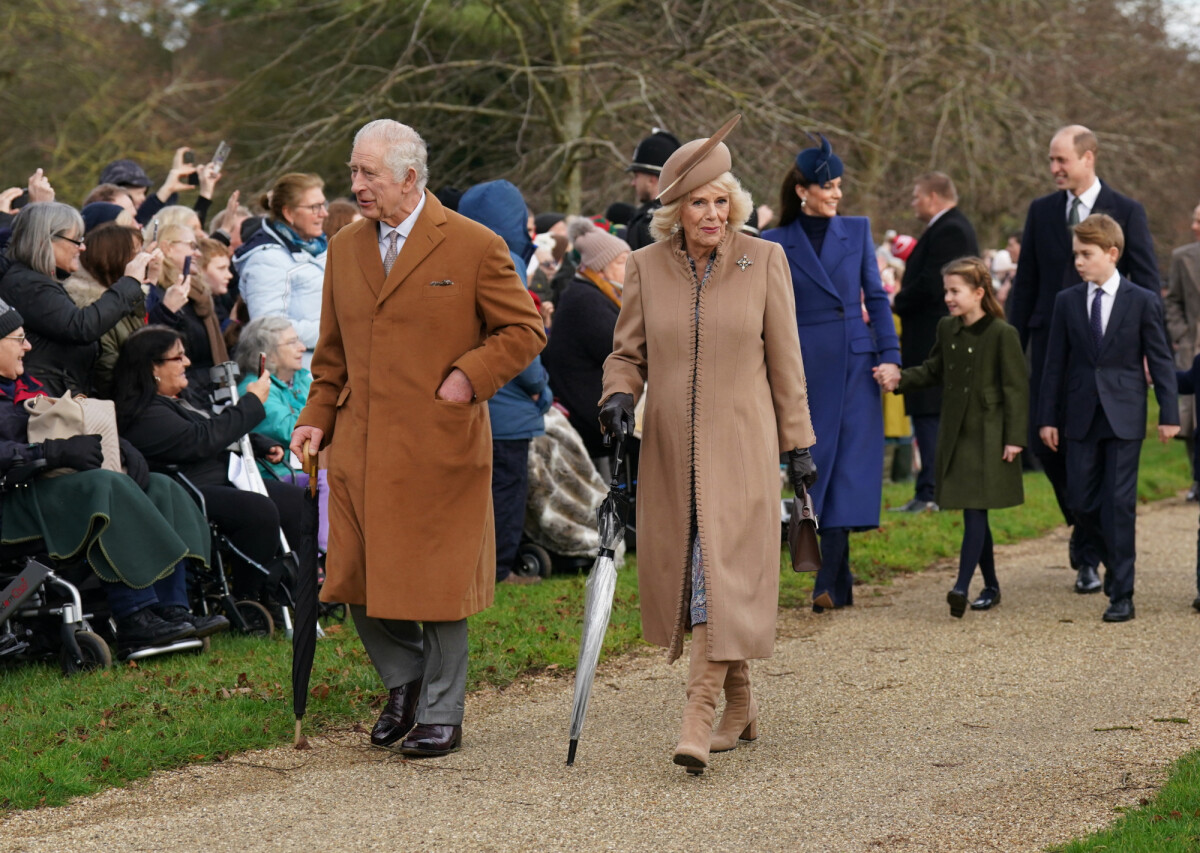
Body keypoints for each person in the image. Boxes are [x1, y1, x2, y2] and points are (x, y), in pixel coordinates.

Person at [288, 119, 546, 758]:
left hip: (439, 442)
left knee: (437, 580)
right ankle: (404, 681)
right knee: (354, 575)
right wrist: (315, 415)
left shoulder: (474, 244)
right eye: (353, 171)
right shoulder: (346, 247)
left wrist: (467, 376)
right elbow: (332, 351)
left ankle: (441, 709)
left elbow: (523, 331)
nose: (356, 185)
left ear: (409, 177)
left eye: (367, 173)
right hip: (358, 443)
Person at [599, 116, 816, 774]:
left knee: (716, 576)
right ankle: (741, 699)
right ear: (676, 210)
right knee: (703, 578)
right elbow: (625, 353)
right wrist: (615, 395)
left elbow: (787, 362)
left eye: (723, 200)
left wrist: (798, 444)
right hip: (669, 453)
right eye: (700, 201)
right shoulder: (644, 266)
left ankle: (697, 715)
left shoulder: (764, 260)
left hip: (744, 452)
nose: (714, 213)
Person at [0, 299, 225, 647]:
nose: (27, 346)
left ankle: (173, 609)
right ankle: (135, 615)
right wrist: (47, 451)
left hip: (49, 487)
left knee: (159, 485)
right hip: (13, 499)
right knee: (105, 487)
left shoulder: (26, 386)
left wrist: (117, 444)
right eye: (18, 338)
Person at [1007, 125, 1160, 593]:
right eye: (1051, 161)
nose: (1054, 169)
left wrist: (1151, 352)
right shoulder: (1040, 211)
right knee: (1048, 445)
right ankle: (1084, 529)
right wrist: (1011, 347)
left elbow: (1148, 284)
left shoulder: (1128, 212)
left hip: (1106, 356)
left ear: (1087, 158)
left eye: (1061, 160)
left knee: (1090, 457)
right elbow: (1026, 281)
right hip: (1049, 350)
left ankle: (1089, 554)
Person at [761, 133, 900, 612]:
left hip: (856, 365)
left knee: (848, 473)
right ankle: (833, 581)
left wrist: (891, 355)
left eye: (840, 185)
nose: (838, 194)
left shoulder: (857, 231)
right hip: (802, 366)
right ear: (803, 190)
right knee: (814, 470)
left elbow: (876, 299)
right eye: (829, 187)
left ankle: (827, 581)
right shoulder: (772, 242)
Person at [113, 326, 318, 609]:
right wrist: (252, 402)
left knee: (297, 501)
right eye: (178, 357)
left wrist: (258, 442)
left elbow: (212, 427)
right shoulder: (144, 414)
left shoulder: (183, 399)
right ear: (153, 367)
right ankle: (250, 597)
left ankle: (289, 586)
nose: (187, 363)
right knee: (258, 510)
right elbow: (200, 440)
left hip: (224, 478)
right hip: (189, 491)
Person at [1038, 214, 1178, 623]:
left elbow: (1161, 359)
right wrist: (1047, 417)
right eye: (1076, 254)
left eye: (1087, 254)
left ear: (1112, 254)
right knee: (1081, 501)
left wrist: (1169, 413)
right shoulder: (1066, 301)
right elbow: (1053, 365)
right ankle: (1101, 558)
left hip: (1125, 414)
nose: (1079, 262)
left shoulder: (1142, 300)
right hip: (1079, 416)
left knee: (1119, 505)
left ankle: (1122, 593)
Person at [879, 258, 1027, 617]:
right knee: (975, 511)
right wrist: (900, 379)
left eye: (955, 291)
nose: (948, 297)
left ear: (979, 293)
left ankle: (961, 585)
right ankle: (990, 586)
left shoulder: (1002, 334)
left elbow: (1016, 389)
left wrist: (1014, 438)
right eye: (946, 290)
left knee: (976, 510)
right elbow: (935, 369)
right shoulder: (947, 328)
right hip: (957, 434)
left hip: (991, 436)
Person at [457, 180, 553, 587]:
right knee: (506, 489)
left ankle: (475, 565)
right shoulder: (506, 259)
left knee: (473, 489)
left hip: (471, 393)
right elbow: (518, 335)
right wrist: (539, 386)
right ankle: (499, 569)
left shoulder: (457, 254)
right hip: (508, 399)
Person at [891, 172, 979, 513]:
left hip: (934, 339)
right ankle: (928, 488)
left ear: (932, 197)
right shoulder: (946, 228)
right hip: (930, 337)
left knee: (930, 413)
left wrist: (897, 301)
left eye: (916, 196)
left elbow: (934, 284)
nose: (913, 203)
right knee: (928, 415)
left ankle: (933, 492)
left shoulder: (951, 230)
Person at [0, 202, 149, 396]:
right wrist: (129, 283)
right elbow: (81, 327)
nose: (82, 247)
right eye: (76, 239)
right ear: (44, 241)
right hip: (43, 406)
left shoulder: (36, 281)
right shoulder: (27, 285)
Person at [542, 217, 630, 476]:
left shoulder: (590, 293)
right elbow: (622, 350)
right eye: (621, 263)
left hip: (592, 406)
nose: (629, 269)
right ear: (600, 268)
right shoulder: (586, 301)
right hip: (589, 414)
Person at [233, 173, 328, 368]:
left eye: (323, 205)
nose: (324, 213)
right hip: (296, 376)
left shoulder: (317, 246)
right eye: (314, 207)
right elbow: (269, 329)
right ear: (289, 213)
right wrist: (334, 331)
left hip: (326, 364)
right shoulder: (265, 259)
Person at [63, 223, 154, 397]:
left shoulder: (130, 302)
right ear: (112, 260)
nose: (144, 258)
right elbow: (110, 377)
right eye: (136, 253)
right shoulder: (95, 311)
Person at [146, 223, 229, 392]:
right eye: (191, 246)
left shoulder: (195, 293)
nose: (197, 253)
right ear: (167, 248)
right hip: (188, 393)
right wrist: (167, 311)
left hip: (207, 391)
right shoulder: (159, 294)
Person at [1165, 200, 1200, 499]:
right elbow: (1172, 300)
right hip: (1194, 344)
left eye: (1199, 221)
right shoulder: (1182, 257)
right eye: (1193, 220)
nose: (1193, 227)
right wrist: (1181, 332)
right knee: (1191, 415)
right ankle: (1197, 479)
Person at [624, 129, 681, 251]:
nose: (633, 183)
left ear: (652, 180)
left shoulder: (651, 223)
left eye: (636, 176)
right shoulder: (682, 214)